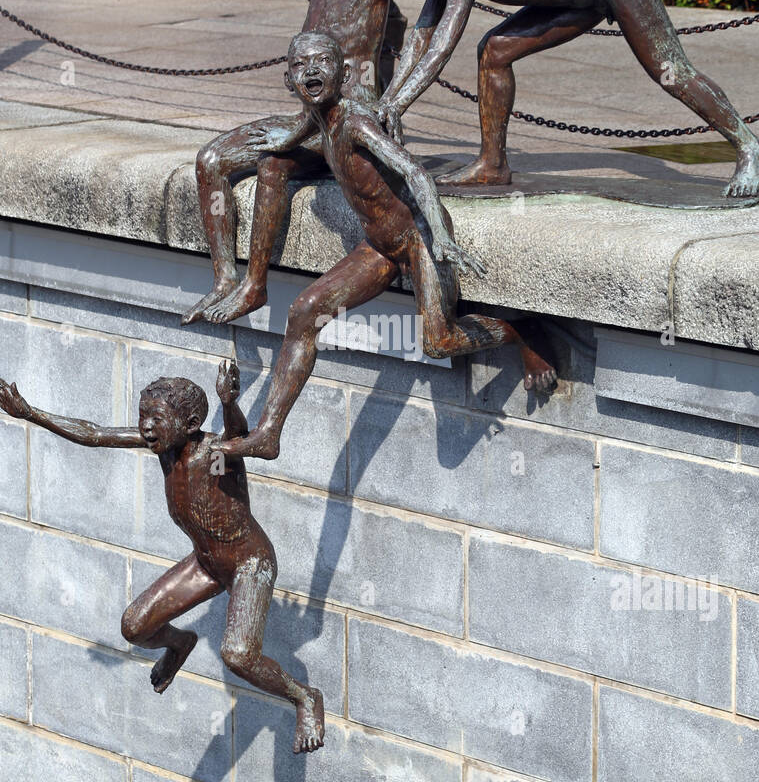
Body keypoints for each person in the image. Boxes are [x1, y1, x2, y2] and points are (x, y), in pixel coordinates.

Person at [210, 32, 557, 465]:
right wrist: (284, 142)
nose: (311, 72)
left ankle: (525, 330)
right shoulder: (318, 114)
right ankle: (268, 432)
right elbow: (307, 120)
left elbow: (414, 172)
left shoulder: (355, 122)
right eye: (300, 67)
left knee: (440, 342)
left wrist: (442, 237)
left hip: (420, 238)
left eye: (321, 62)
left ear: (342, 73)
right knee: (303, 312)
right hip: (378, 246)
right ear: (287, 79)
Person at [0, 361, 325, 754]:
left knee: (237, 654)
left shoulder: (213, 455)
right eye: (143, 417)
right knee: (134, 626)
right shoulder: (163, 450)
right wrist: (31, 413)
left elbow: (237, 439)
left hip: (249, 564)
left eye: (156, 419)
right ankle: (179, 644)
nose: (146, 427)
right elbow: (94, 434)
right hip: (208, 564)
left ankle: (304, 697)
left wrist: (229, 404)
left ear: (191, 422)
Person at [377, 0, 759, 198]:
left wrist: (396, 107)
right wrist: (387, 104)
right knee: (495, 51)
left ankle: (751, 147)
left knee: (670, 71)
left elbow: (442, 48)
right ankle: (492, 165)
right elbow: (418, 42)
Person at [183, 0, 399, 327]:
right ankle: (225, 278)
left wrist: (399, 94)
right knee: (210, 160)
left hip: (346, 126)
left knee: (272, 164)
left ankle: (255, 285)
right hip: (309, 121)